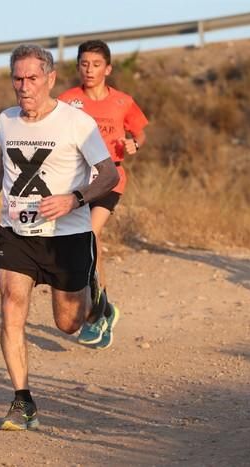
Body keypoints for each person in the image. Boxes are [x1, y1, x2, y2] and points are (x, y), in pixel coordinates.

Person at [0, 43, 119, 431]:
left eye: (32, 77)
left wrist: (75, 199)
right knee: (11, 304)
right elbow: (4, 158)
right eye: (17, 78)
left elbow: (109, 175)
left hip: (67, 236)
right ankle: (22, 400)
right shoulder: (6, 120)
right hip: (17, 233)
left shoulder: (75, 123)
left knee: (67, 324)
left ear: (50, 79)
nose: (24, 86)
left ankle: (96, 302)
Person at [59, 40, 148, 348]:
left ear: (108, 69)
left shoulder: (123, 101)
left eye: (96, 65)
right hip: (77, 181)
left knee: (89, 234)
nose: (89, 70)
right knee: (82, 243)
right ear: (77, 67)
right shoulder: (67, 101)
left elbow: (139, 133)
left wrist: (134, 144)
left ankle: (98, 315)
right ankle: (106, 310)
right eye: (84, 64)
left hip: (110, 178)